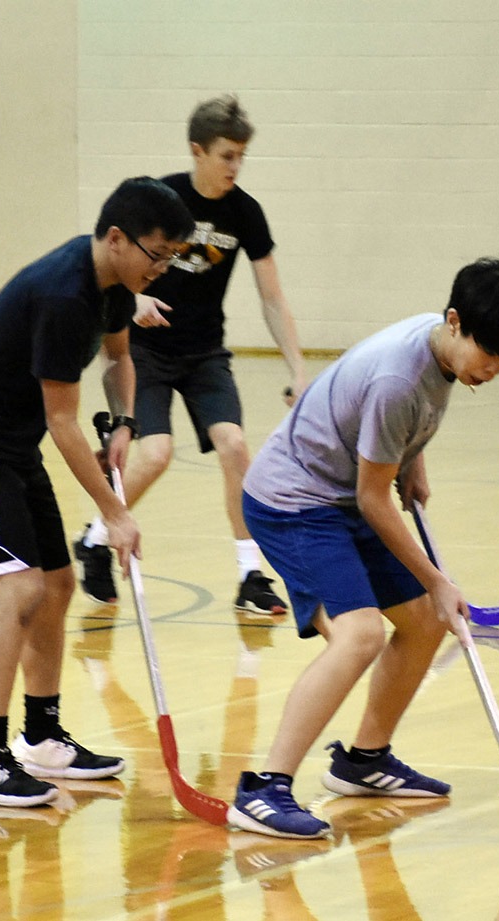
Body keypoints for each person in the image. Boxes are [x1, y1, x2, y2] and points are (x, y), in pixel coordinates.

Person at [225, 257, 499, 839]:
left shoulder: (439, 348)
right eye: (490, 354)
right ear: (455, 322)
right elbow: (374, 498)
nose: (495, 369)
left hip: (344, 495)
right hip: (294, 502)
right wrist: (437, 579)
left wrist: (411, 461)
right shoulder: (398, 377)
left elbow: (394, 437)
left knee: (425, 624)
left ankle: (365, 761)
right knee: (360, 635)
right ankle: (263, 789)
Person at [0, 177, 195, 807]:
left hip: (15, 446)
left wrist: (127, 422)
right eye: (156, 254)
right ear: (115, 238)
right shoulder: (63, 294)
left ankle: (42, 737)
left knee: (57, 584)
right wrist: (115, 514)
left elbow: (118, 358)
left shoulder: (114, 287)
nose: (162, 268)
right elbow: (63, 422)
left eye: (170, 257)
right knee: (20, 591)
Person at [73, 94, 307, 615]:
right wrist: (132, 302)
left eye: (241, 156)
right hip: (148, 352)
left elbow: (272, 296)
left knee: (235, 445)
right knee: (154, 454)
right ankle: (94, 539)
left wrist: (298, 368)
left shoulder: (246, 212)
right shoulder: (163, 201)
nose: (235, 166)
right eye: (227, 155)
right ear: (197, 151)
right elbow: (109, 263)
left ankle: (250, 574)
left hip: (205, 354)